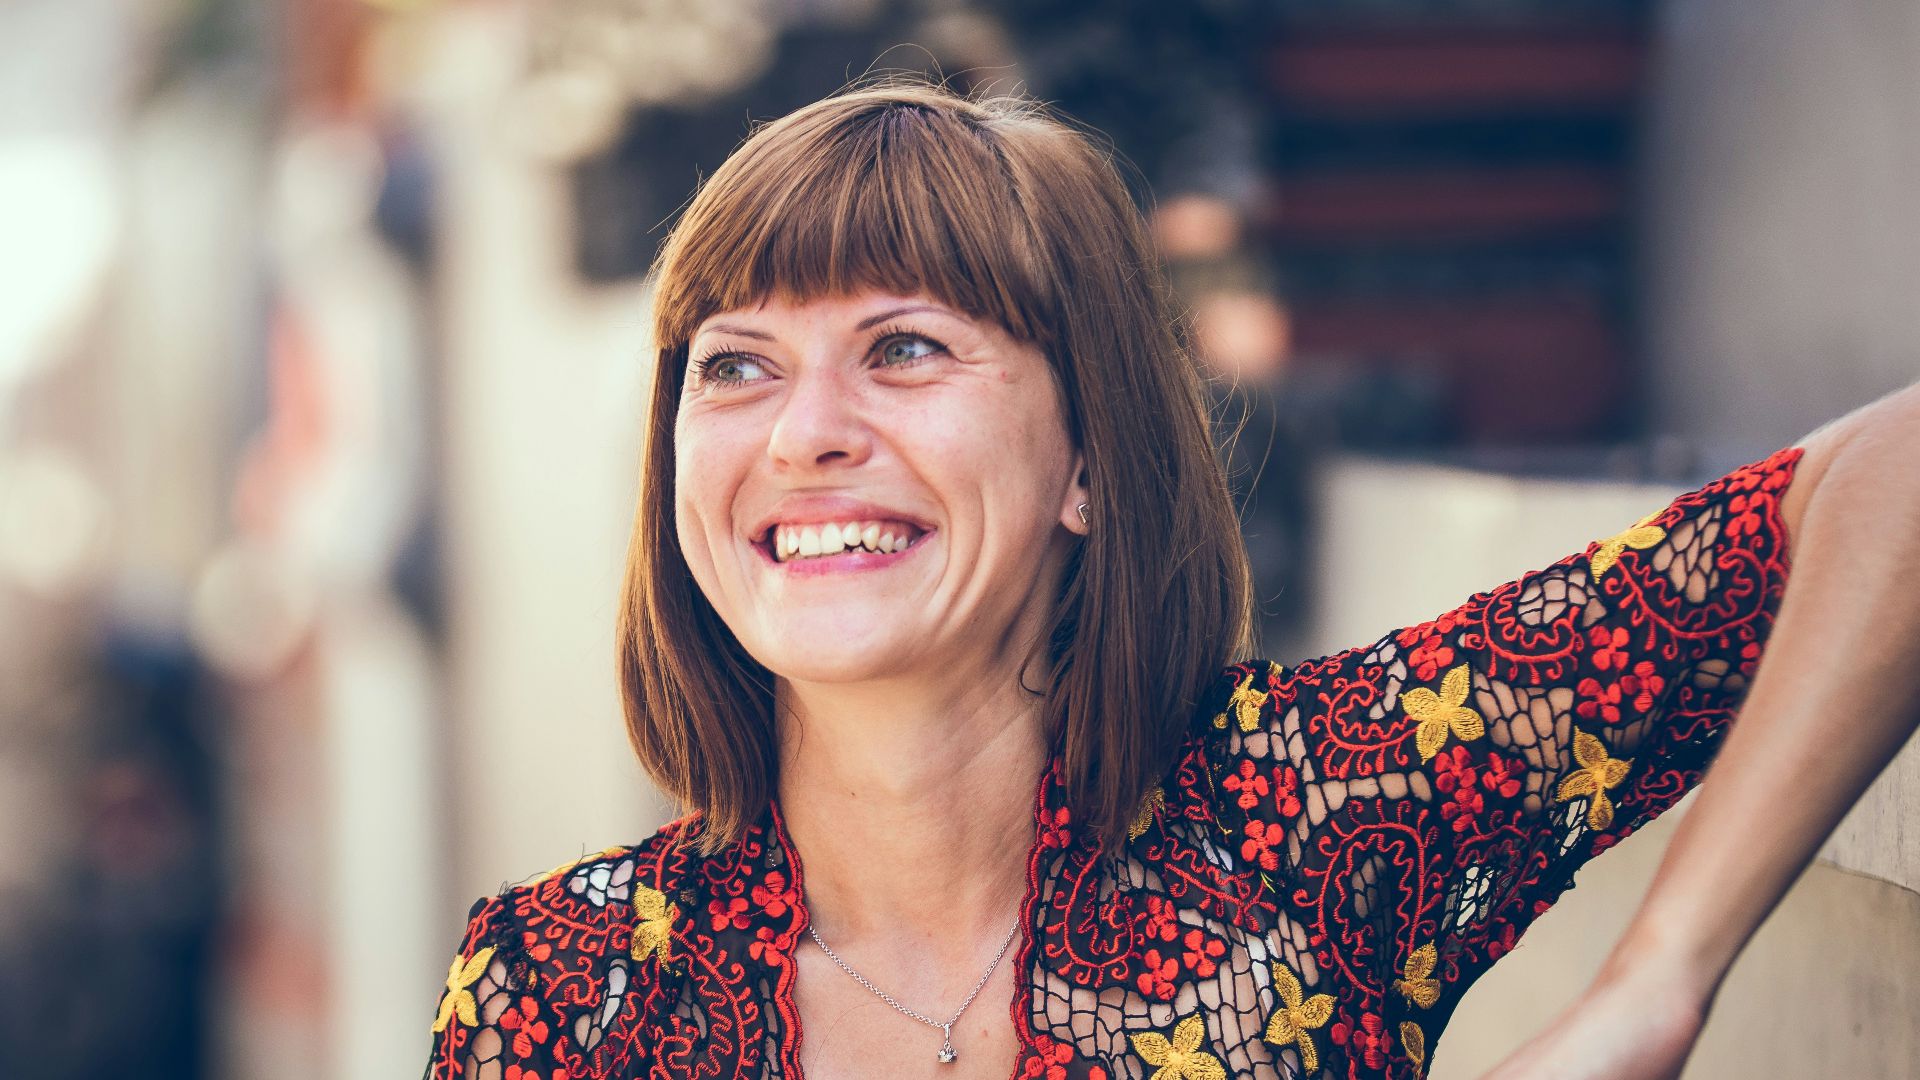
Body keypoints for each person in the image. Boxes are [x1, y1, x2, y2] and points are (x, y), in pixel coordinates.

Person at [421, 82, 1920, 1080]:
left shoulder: (1316, 815)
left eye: (906, 348)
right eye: (736, 368)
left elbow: (1893, 471)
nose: (807, 436)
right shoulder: (560, 991)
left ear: (1087, 457)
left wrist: (1655, 985)